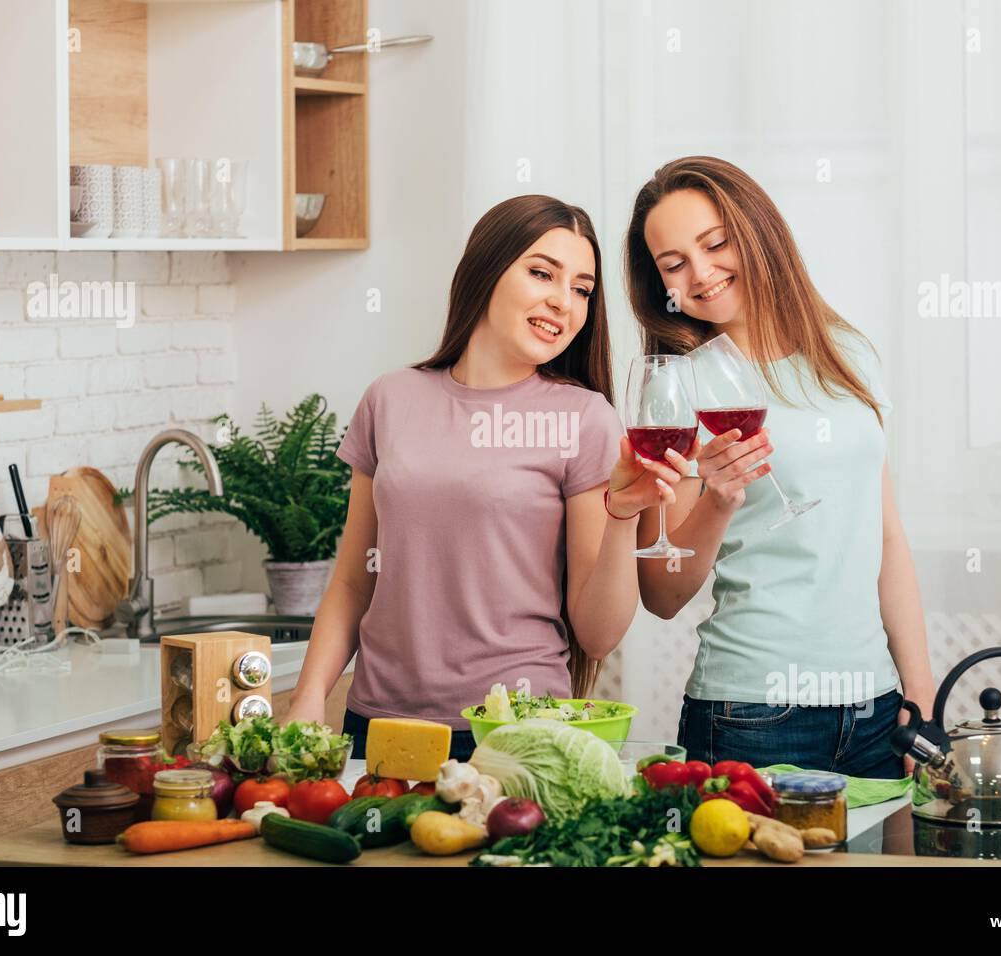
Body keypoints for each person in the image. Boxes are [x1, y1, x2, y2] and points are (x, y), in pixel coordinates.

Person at [285, 195, 684, 762]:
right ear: (486, 268)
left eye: (581, 288)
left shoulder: (584, 418)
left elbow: (596, 635)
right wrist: (307, 700)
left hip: (515, 734)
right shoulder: (390, 399)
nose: (562, 302)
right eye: (542, 273)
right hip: (377, 728)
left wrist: (623, 516)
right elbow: (353, 581)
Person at [625, 156, 936, 778]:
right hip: (752, 712)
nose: (702, 273)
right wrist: (716, 498)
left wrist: (921, 690)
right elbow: (662, 594)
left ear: (758, 233)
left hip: (875, 710)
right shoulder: (675, 388)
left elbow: (886, 537)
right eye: (674, 263)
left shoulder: (846, 353)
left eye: (716, 244)